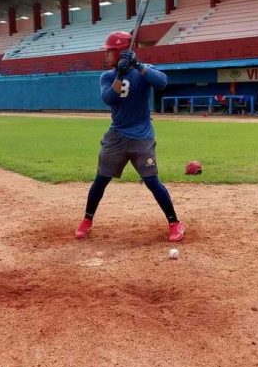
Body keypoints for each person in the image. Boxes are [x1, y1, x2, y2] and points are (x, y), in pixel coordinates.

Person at [76, 31, 184, 242]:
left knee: (152, 181)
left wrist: (138, 66)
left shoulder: (143, 72)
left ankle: (175, 223)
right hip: (116, 137)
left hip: (142, 137)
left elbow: (162, 82)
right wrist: (120, 74)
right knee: (100, 180)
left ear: (120, 51)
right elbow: (109, 98)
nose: (106, 55)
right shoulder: (107, 76)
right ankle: (87, 220)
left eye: (109, 51)